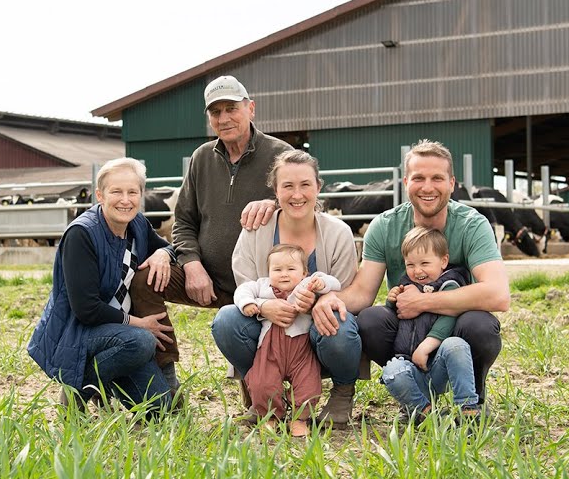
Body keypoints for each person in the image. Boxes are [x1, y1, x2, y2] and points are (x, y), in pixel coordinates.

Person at [310, 139, 511, 423]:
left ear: (452, 183)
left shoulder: (472, 224)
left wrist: (424, 301)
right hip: (409, 332)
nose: (427, 187)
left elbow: (498, 294)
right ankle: (413, 390)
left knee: (480, 325)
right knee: (369, 320)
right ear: (406, 182)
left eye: (437, 178)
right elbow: (363, 292)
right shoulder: (385, 225)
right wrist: (332, 298)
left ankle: (473, 398)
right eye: (419, 178)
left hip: (455, 330)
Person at [129, 75, 292, 393]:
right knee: (143, 279)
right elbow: (184, 222)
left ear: (251, 109)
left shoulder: (281, 155)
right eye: (215, 112)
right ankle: (165, 377)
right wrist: (190, 263)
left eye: (231, 108)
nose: (224, 118)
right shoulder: (201, 159)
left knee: (261, 405)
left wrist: (276, 203)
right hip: (206, 280)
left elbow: (313, 204)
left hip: (262, 286)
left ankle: (268, 380)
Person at [212, 149, 361, 425]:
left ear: (318, 187)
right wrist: (265, 307)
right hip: (268, 333)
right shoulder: (256, 230)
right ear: (275, 191)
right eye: (287, 186)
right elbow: (245, 282)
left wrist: (316, 303)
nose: (297, 194)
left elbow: (342, 291)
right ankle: (261, 391)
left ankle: (342, 392)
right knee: (225, 320)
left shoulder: (338, 232)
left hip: (315, 334)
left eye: (305, 185)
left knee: (339, 324)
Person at [26, 158, 178, 415]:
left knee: (161, 409)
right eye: (116, 191)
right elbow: (86, 310)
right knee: (142, 341)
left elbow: (166, 245)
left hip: (118, 335)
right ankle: (78, 389)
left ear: (141, 195)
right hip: (78, 333)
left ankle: (106, 379)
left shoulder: (137, 225)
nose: (125, 200)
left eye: (132, 192)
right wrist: (138, 323)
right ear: (100, 195)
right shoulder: (82, 234)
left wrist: (165, 254)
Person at [233, 243, 341, 437]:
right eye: (277, 269)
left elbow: (335, 283)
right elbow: (241, 291)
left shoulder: (307, 284)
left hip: (301, 350)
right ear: (268, 271)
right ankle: (271, 417)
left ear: (304, 272)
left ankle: (300, 419)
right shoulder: (262, 286)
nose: (284, 274)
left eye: (291, 269)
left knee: (309, 385)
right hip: (270, 349)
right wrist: (250, 303)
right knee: (262, 382)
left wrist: (321, 284)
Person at [380, 226, 480, 425]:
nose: (417, 271)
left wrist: (425, 347)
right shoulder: (405, 285)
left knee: (456, 344)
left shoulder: (449, 284)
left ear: (443, 261)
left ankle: (468, 409)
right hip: (410, 366)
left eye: (425, 263)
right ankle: (425, 413)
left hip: (440, 365)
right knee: (391, 371)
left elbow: (449, 317)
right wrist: (392, 301)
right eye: (410, 264)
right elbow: (397, 315)